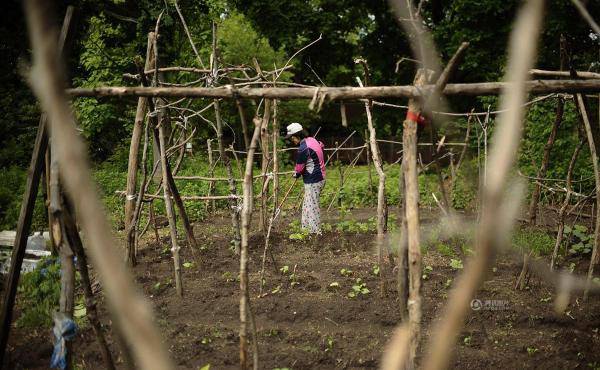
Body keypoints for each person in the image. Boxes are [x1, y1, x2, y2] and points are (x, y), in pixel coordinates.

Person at [285, 122, 326, 235]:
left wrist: (296, 174)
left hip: (314, 179)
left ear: (296, 136)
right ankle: (306, 230)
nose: (292, 140)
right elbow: (321, 145)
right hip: (319, 177)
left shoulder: (303, 148)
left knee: (312, 206)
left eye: (292, 138)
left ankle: (315, 233)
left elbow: (299, 167)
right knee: (308, 205)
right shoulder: (312, 140)